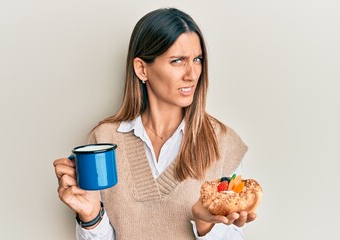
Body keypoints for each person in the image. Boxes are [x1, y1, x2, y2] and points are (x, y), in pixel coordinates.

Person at [53, 7, 257, 240]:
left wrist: (205, 224)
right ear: (142, 69)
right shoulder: (104, 140)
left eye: (197, 59)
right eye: (178, 61)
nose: (192, 74)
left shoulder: (223, 143)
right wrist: (91, 216)